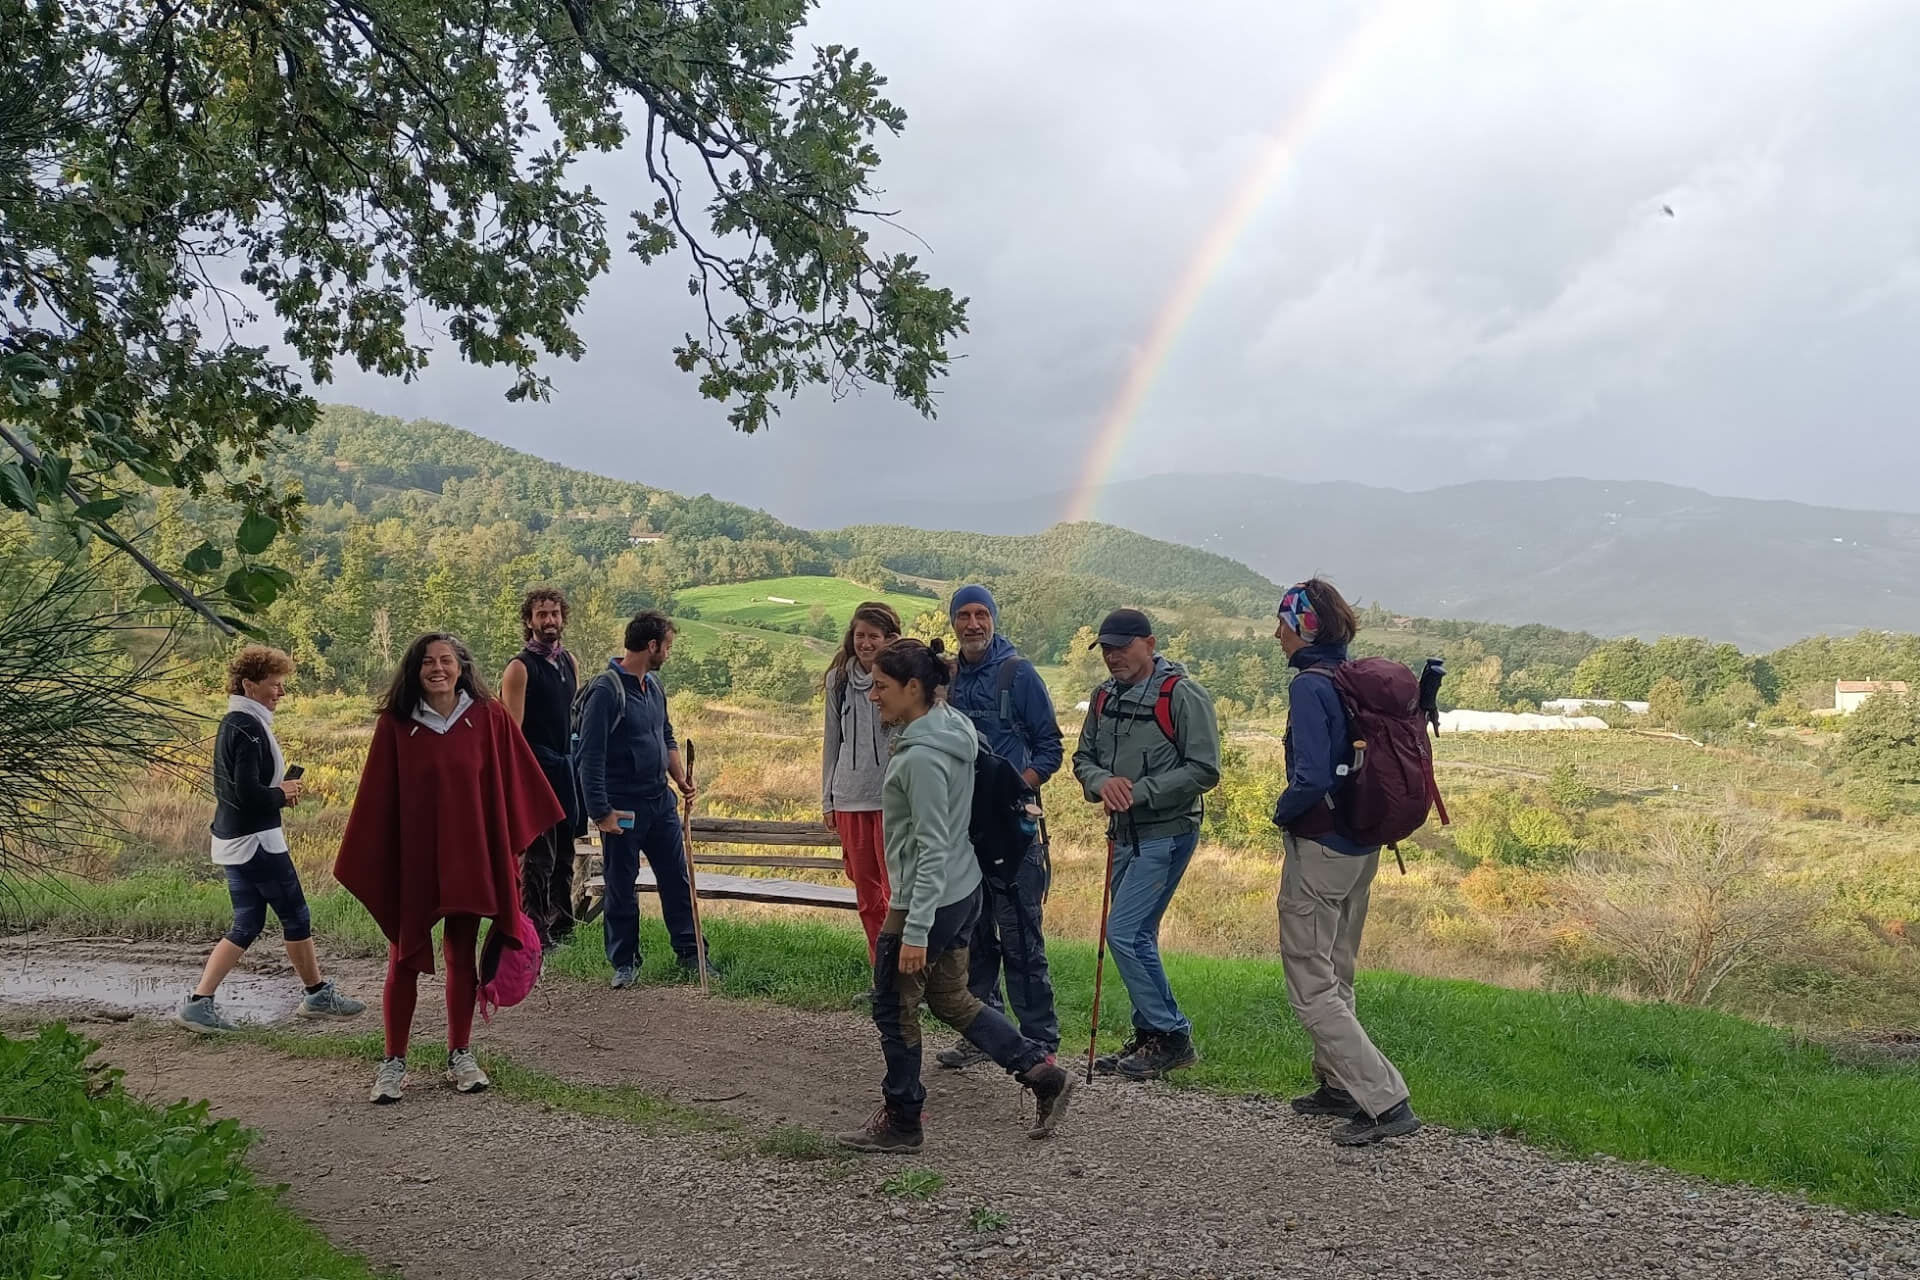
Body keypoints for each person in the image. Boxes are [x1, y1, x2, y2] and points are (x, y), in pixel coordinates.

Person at [838, 639, 1075, 1153]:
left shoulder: (920, 759)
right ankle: (1041, 1072)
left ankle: (903, 1119)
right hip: (963, 888)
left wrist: (915, 930)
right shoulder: (955, 728)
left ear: (914, 688)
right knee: (949, 997)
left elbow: (930, 848)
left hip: (930, 897)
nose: (873, 696)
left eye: (881, 687)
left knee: (892, 1005)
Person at [334, 633, 562, 1104]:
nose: (438, 669)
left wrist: (510, 851)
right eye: (427, 662)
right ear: (414, 670)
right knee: (404, 957)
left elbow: (518, 784)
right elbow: (377, 803)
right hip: (415, 861)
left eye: (446, 661)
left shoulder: (487, 717)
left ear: (461, 666)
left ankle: (460, 1053)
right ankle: (393, 1062)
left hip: (471, 856)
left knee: (461, 954)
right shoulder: (396, 725)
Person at [1270, 579, 1422, 1146]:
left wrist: (1281, 814)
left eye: (1283, 623)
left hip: (1321, 849)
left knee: (1310, 985)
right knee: (1338, 968)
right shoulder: (1352, 680)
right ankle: (1339, 1085)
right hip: (1362, 846)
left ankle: (1384, 1100)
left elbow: (1310, 776)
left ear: (1304, 626)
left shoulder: (1311, 688)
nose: (1277, 635)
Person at [177, 646, 365, 1033]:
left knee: (248, 921)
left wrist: (277, 792)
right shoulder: (246, 727)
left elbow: (237, 791)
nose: (281, 692)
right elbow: (245, 792)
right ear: (249, 684)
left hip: (235, 838)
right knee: (295, 914)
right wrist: (282, 794)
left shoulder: (238, 722)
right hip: (256, 840)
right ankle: (316, 994)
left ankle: (199, 1002)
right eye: (274, 685)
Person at [1072, 608, 1221, 1080]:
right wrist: (1102, 783)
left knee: (1123, 932)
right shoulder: (1102, 698)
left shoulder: (1182, 696)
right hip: (1123, 834)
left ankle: (1171, 1034)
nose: (1113, 656)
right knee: (1137, 935)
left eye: (1122, 646)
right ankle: (1152, 1034)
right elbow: (1082, 758)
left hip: (1167, 833)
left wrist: (1137, 792)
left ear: (1150, 644)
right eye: (1107, 648)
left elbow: (1205, 770)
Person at [936, 584, 1063, 1070]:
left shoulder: (1018, 673)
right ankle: (986, 1033)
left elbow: (1050, 748)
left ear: (993, 618)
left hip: (1011, 831)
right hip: (964, 827)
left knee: (1021, 938)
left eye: (980, 615)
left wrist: (1013, 790)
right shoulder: (950, 676)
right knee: (973, 936)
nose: (972, 624)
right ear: (952, 622)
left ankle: (1040, 1046)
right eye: (963, 616)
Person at [575, 610, 709, 989]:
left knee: (676, 880)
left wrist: (680, 779)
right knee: (621, 885)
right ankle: (625, 963)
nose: (668, 653)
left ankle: (691, 953)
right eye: (667, 646)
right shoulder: (606, 691)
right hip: (622, 807)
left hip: (660, 803)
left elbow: (665, 735)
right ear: (651, 646)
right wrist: (601, 813)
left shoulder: (653, 685)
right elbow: (589, 757)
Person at [500, 587, 585, 950]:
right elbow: (511, 731)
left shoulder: (569, 662)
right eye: (541, 614)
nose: (549, 620)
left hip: (565, 766)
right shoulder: (520, 667)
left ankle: (563, 925)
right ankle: (533, 932)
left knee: (566, 851)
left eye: (554, 613)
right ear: (529, 621)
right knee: (538, 856)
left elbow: (572, 719)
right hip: (534, 769)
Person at [823, 602, 904, 969]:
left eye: (874, 636)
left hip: (892, 800)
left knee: (898, 892)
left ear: (890, 639)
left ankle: (909, 975)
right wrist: (827, 799)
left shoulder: (905, 678)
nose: (866, 643)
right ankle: (881, 973)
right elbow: (831, 739)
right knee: (868, 897)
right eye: (860, 635)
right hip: (850, 797)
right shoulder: (838, 680)